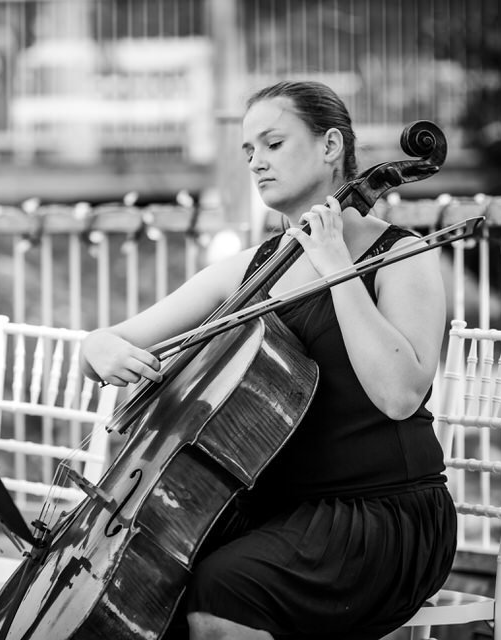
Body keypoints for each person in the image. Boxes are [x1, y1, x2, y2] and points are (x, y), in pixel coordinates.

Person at [79, 80, 457, 640]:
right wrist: (100, 347)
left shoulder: (402, 258)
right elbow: (108, 342)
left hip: (379, 518)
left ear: (331, 146)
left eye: (273, 144)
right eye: (248, 151)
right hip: (280, 511)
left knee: (224, 588)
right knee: (156, 578)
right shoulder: (252, 268)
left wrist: (335, 267)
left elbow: (399, 396)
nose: (256, 162)